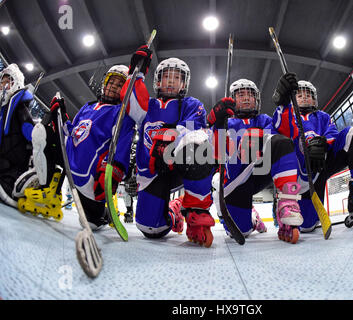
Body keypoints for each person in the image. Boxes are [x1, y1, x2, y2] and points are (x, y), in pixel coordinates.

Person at [24, 64, 135, 229]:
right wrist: (60, 114)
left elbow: (122, 148)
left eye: (120, 85)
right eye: (111, 82)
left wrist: (113, 173)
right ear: (105, 83)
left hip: (90, 181)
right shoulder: (87, 107)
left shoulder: (122, 115)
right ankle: (50, 192)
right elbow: (72, 133)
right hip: (69, 163)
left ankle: (106, 214)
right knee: (45, 134)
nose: (113, 86)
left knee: (91, 223)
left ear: (125, 90)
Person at [123, 50, 216, 247]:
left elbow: (194, 130)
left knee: (199, 142)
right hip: (152, 172)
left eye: (176, 78)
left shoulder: (192, 104)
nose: (171, 82)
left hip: (181, 167)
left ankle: (196, 210)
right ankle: (175, 211)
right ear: (157, 81)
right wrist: (135, 73)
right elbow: (129, 103)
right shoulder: (147, 105)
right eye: (167, 77)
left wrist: (168, 148)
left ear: (184, 83)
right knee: (151, 229)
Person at [272, 73, 353, 231]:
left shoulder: (323, 116)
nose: (304, 97)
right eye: (299, 94)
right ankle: (282, 203)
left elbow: (333, 133)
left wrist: (323, 143)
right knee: (307, 225)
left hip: (322, 164)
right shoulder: (288, 115)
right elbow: (279, 129)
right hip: (300, 176)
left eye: (308, 94)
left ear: (315, 99)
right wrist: (283, 104)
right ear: (292, 98)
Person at [208, 79, 302, 243]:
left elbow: (286, 139)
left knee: (281, 142)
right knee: (241, 230)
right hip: (236, 180)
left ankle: (287, 203)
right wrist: (216, 125)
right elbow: (216, 154)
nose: (245, 98)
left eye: (250, 95)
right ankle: (253, 219)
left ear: (256, 99)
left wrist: (285, 105)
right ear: (233, 99)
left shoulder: (265, 120)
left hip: (260, 172)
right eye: (240, 95)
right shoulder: (226, 123)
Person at [0, 64, 38, 208]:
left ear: (15, 83)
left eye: (7, 82)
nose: (3, 86)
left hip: (13, 168)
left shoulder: (19, 108)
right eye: (1, 82)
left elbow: (32, 134)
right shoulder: (3, 109)